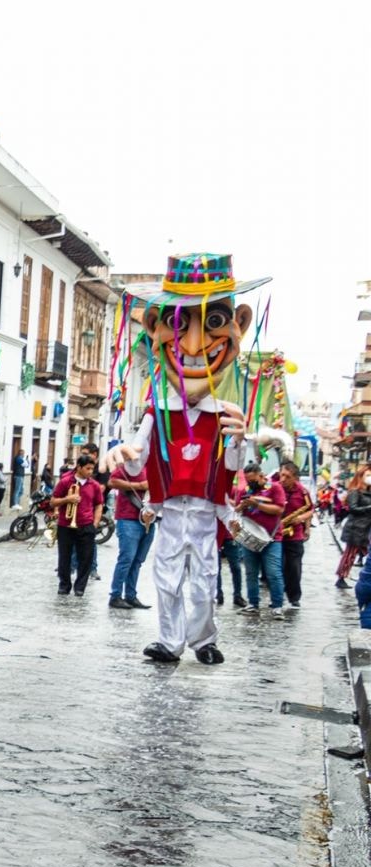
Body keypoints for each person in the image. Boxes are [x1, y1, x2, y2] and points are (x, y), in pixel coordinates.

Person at [108, 254, 277, 665]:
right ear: (155, 327)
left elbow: (233, 465)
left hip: (204, 513)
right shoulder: (158, 410)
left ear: (238, 324)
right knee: (165, 580)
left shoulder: (226, 413)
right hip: (170, 513)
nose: (192, 343)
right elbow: (139, 459)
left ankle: (204, 641)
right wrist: (125, 456)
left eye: (214, 324)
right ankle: (169, 641)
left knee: (204, 581)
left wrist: (243, 442)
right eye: (180, 325)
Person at [235, 461, 286, 618]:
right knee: (251, 572)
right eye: (248, 479)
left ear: (261, 475)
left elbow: (279, 509)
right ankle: (253, 604)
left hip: (272, 538)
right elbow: (235, 510)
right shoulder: (245, 490)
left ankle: (277, 606)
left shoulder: (275, 488)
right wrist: (243, 506)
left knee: (273, 572)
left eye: (253, 479)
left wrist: (257, 503)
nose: (251, 482)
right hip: (251, 537)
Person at [51, 455, 104, 596]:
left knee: (86, 558)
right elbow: (53, 501)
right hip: (65, 525)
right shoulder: (65, 482)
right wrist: (67, 499)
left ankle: (80, 587)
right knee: (65, 557)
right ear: (79, 467)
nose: (90, 471)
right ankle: (64, 585)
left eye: (92, 469)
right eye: (87, 468)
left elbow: (99, 505)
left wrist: (95, 523)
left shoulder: (94, 485)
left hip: (86, 525)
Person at [108, 464, 155, 609]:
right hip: (128, 518)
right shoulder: (129, 465)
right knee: (126, 559)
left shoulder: (156, 466)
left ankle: (131, 595)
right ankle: (115, 595)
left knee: (138, 561)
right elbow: (112, 482)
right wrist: (141, 485)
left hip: (149, 519)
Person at [276, 461, 311, 610]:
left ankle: (294, 597)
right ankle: (278, 595)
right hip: (276, 534)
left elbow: (310, 509)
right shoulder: (275, 488)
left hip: (294, 534)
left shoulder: (303, 491)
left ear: (295, 478)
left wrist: (302, 520)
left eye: (287, 476)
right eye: (281, 474)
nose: (283, 479)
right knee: (277, 567)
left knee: (294, 567)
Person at [336, 466, 371, 589]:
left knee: (366, 553)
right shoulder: (355, 491)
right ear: (360, 477)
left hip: (366, 530)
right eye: (367, 475)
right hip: (355, 529)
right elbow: (353, 508)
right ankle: (341, 577)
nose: (369, 478)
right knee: (350, 555)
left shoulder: (369, 492)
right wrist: (369, 508)